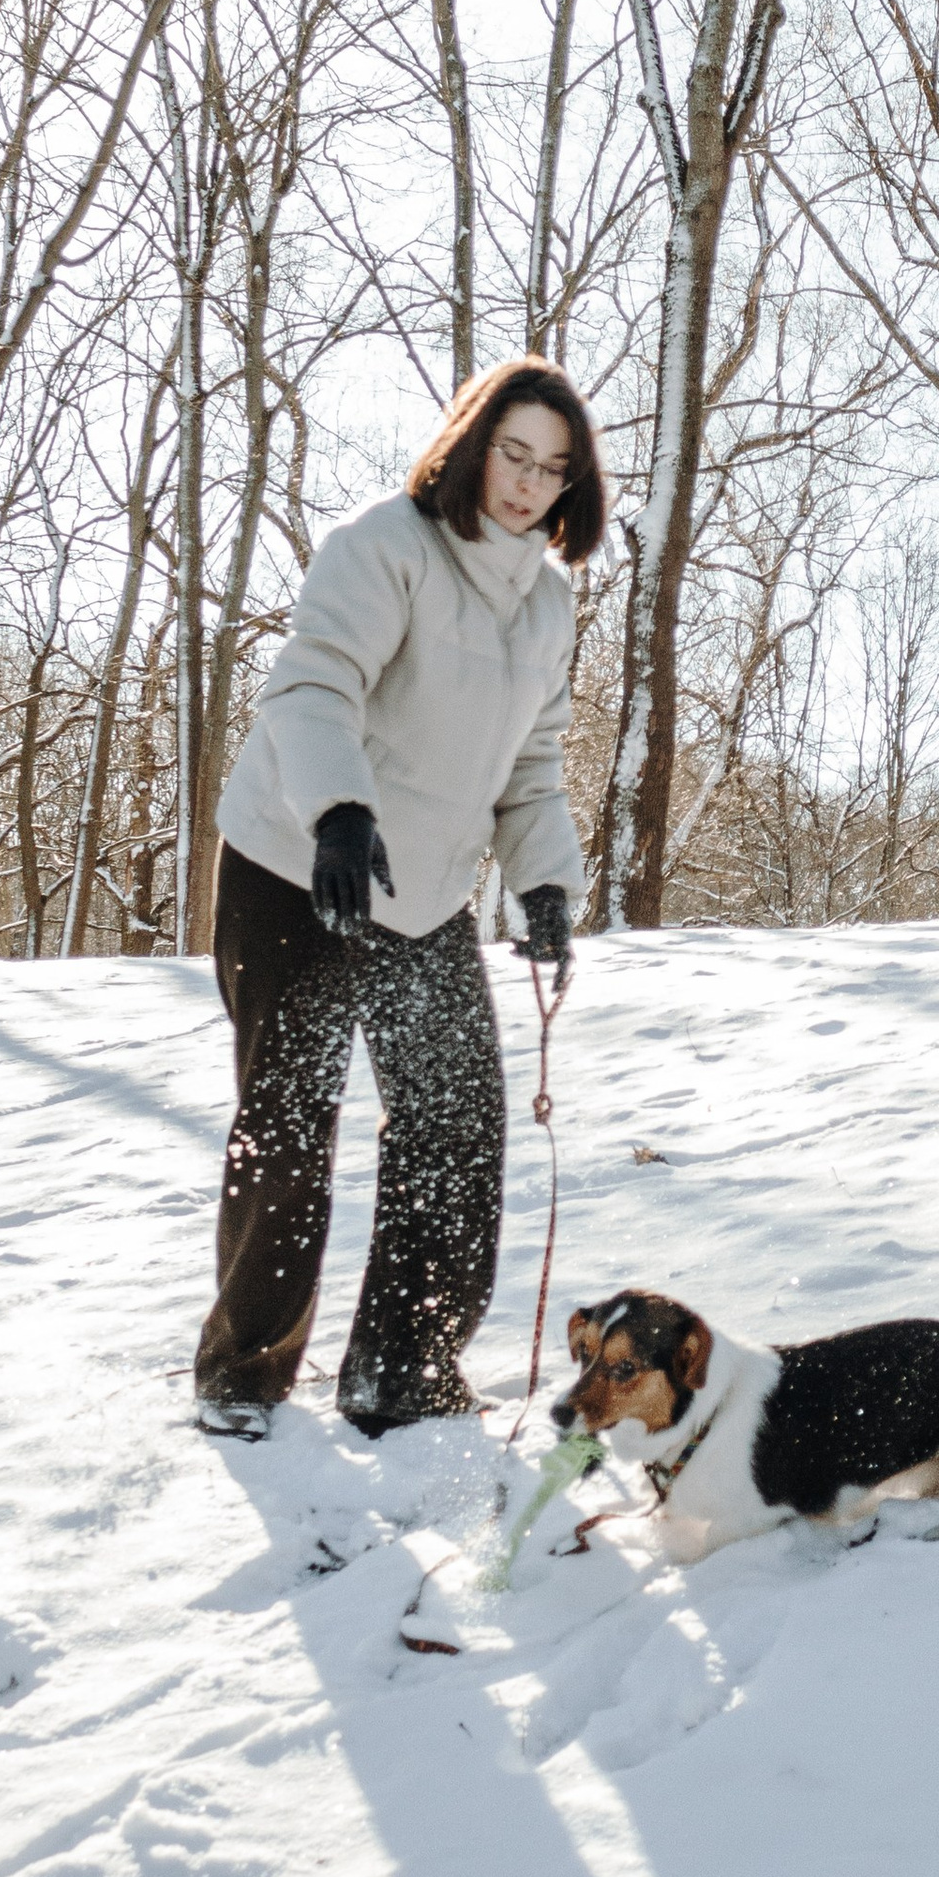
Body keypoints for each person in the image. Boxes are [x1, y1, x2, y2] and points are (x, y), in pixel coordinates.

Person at [192, 357, 604, 1442]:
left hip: (421, 894)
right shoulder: (385, 544)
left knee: (455, 1124)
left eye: (551, 470)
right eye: (513, 454)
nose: (526, 484)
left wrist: (546, 885)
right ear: (472, 442)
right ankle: (244, 1371)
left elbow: (535, 765)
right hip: (302, 866)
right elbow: (312, 682)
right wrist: (337, 811)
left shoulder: (548, 603)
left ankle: (400, 1367)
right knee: (289, 1123)